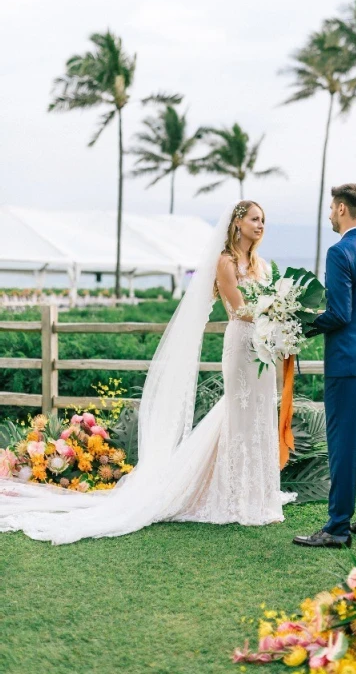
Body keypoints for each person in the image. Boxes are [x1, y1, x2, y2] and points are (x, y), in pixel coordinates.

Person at [0, 201, 295, 543]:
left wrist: (279, 323)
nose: (261, 225)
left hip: (262, 348)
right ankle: (232, 497)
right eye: (255, 219)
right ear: (238, 223)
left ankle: (259, 496)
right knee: (237, 415)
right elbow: (237, 307)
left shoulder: (261, 265)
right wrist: (274, 313)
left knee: (259, 415)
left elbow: (264, 303)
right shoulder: (225, 261)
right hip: (241, 344)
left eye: (264, 220)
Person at [293, 184, 356, 548]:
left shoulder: (339, 252)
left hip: (346, 363)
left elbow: (338, 313)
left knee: (341, 445)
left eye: (332, 209)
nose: (330, 215)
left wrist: (298, 324)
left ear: (341, 209)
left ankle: (336, 528)